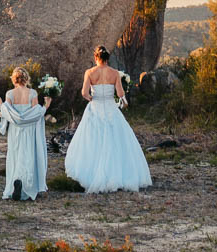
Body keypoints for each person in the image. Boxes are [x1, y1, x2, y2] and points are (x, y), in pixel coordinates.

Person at [63, 45, 152, 193]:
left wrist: (92, 98)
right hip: (111, 108)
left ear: (96, 57)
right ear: (107, 58)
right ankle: (118, 174)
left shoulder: (90, 72)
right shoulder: (114, 73)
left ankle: (91, 174)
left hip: (96, 107)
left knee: (92, 140)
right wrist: (123, 101)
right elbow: (120, 92)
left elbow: (84, 92)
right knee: (116, 139)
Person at [0, 66, 50, 201]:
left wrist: (0, 105)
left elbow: (8, 114)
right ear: (26, 79)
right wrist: (46, 106)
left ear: (14, 79)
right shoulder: (32, 93)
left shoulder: (10, 94)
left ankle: (16, 181)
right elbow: (36, 114)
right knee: (28, 156)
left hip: (15, 131)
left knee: (16, 155)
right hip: (29, 131)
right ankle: (27, 186)